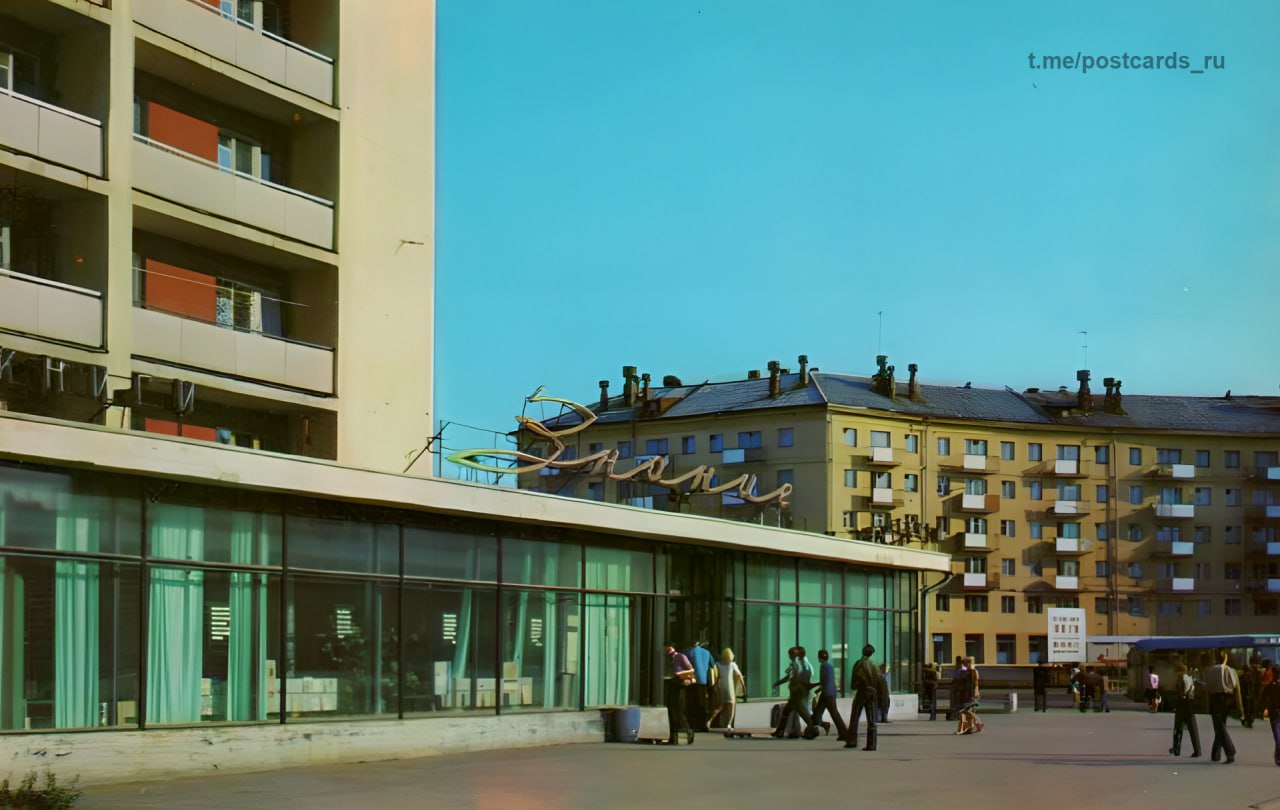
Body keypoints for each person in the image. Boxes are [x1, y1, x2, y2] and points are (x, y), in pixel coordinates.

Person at [1204, 650, 1242, 764]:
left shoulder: (1210, 671)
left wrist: (1207, 706)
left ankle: (1230, 751)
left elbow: (1207, 690)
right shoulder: (1231, 671)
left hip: (1215, 699)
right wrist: (1240, 709)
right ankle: (1216, 754)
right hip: (1227, 700)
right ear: (1226, 657)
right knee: (1220, 726)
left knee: (1219, 726)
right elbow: (1237, 691)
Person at [771, 646, 816, 739]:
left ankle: (812, 728)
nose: (789, 656)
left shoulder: (796, 665)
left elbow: (791, 677)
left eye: (790, 654)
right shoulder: (801, 664)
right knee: (787, 711)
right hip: (798, 692)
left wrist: (779, 683)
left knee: (801, 712)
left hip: (796, 692)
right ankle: (780, 731)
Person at [844, 644, 879, 751]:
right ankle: (872, 744)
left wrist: (855, 686)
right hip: (872, 692)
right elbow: (878, 680)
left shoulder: (859, 663)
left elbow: (854, 681)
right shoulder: (874, 665)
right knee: (871, 719)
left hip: (862, 691)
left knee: (855, 715)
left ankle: (852, 741)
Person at [663, 644, 696, 746]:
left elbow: (691, 670)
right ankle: (673, 736)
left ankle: (688, 732)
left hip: (679, 683)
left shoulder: (681, 657)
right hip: (671, 683)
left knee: (679, 711)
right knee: (671, 710)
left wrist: (686, 677)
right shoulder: (667, 659)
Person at [811, 649, 848, 740]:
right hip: (830, 692)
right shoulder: (829, 666)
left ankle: (845, 734)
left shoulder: (823, 666)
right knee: (818, 713)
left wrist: (815, 687)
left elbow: (823, 681)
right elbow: (829, 680)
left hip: (827, 693)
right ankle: (811, 731)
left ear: (819, 657)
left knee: (834, 714)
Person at [1169, 662, 1202, 759]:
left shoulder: (1181, 680)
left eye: (1177, 672)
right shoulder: (1189, 678)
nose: (1176, 674)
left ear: (1180, 671)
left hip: (1182, 705)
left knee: (1178, 728)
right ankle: (1197, 750)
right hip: (1190, 704)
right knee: (1193, 729)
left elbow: (1181, 694)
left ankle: (1176, 749)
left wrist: (1176, 705)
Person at [684, 642, 715, 732]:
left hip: (692, 681)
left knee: (691, 702)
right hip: (703, 681)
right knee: (703, 703)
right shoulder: (707, 652)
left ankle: (692, 724)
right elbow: (713, 664)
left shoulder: (688, 652)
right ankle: (702, 724)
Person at [713, 648, 746, 729]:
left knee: (722, 706)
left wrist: (715, 687)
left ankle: (715, 721)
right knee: (732, 705)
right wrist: (743, 687)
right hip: (729, 686)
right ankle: (729, 723)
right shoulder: (732, 665)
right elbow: (739, 676)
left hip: (721, 687)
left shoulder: (718, 664)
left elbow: (716, 677)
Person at [1260, 660, 1280, 767]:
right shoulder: (1270, 687)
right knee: (1278, 736)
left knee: (1277, 736)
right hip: (1275, 714)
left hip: (1274, 714)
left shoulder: (1270, 687)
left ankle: (1278, 756)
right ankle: (1278, 756)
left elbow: (1264, 698)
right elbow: (1265, 698)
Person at [947, 655, 966, 722]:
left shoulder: (963, 669)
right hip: (955, 686)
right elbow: (954, 678)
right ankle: (954, 714)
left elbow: (963, 678)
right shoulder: (956, 669)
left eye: (959, 661)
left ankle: (957, 714)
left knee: (958, 701)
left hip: (960, 687)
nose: (958, 663)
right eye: (957, 661)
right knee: (954, 701)